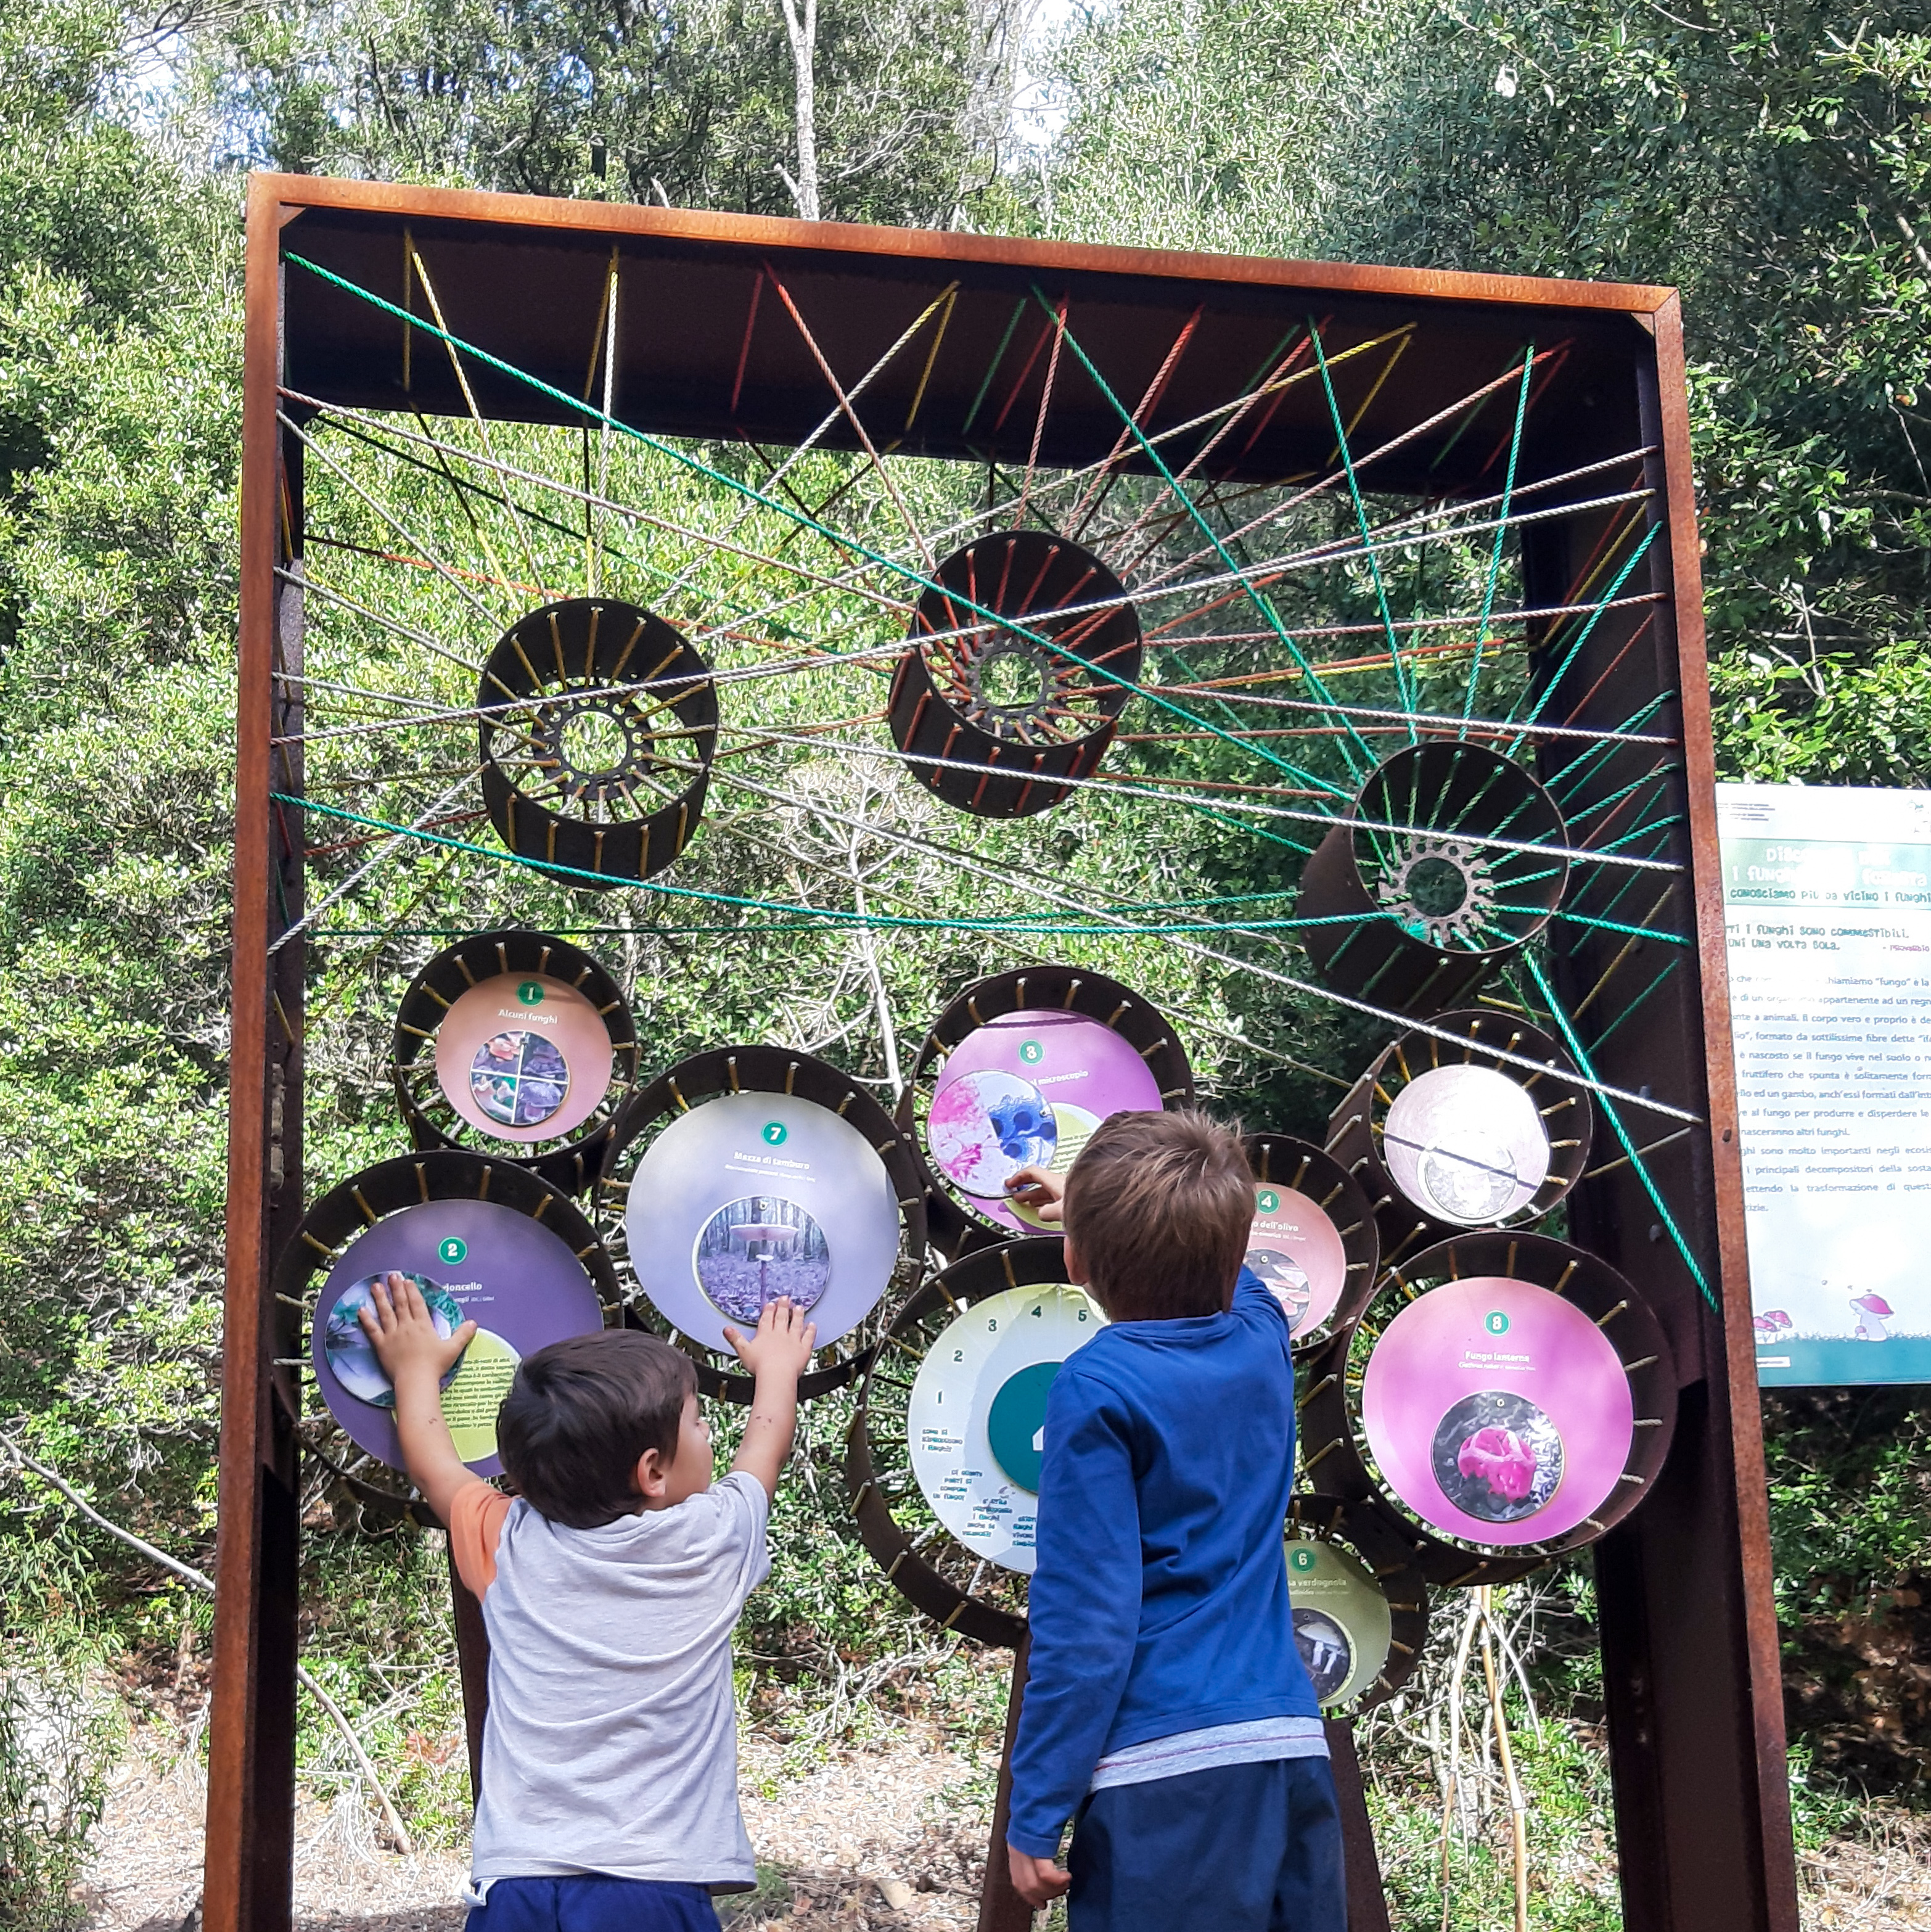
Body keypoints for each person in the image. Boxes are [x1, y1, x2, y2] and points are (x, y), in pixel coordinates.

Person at [356, 1272, 816, 1932]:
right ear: (653, 1471)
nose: (710, 1430)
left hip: (520, 1883)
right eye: (697, 1420)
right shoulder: (712, 1541)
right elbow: (764, 1446)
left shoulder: (508, 1541)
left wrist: (413, 1367)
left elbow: (434, 1465)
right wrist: (778, 1368)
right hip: (653, 1886)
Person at [1000, 1111, 1343, 1932]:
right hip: (1289, 1748)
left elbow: (1087, 1621)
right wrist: (1092, 1203)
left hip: (1167, 1778)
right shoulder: (1262, 1341)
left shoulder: (1096, 1389)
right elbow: (1241, 1275)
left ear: (1075, 1258)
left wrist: (1036, 1808)